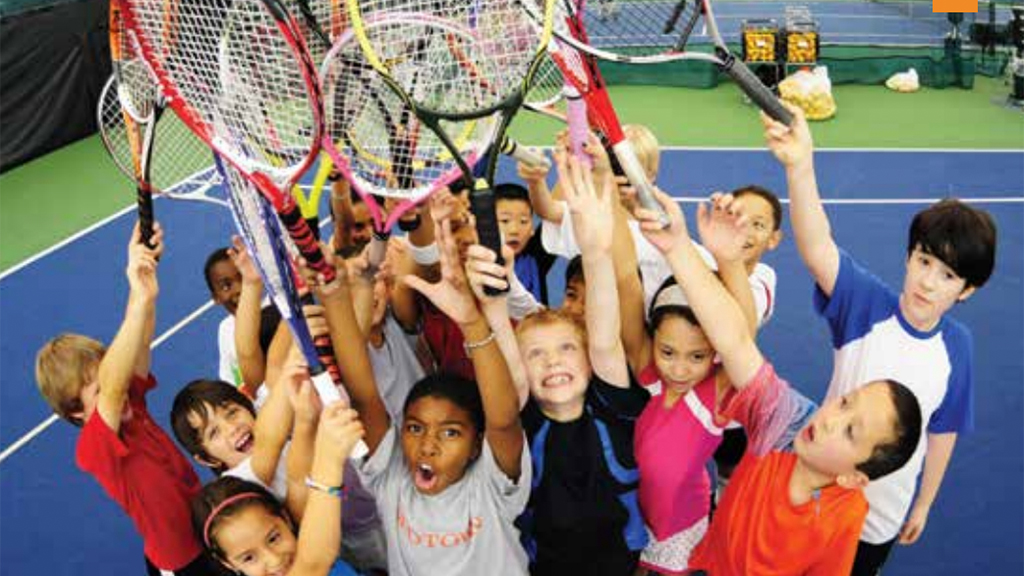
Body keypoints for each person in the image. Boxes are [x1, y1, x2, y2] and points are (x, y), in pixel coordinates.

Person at [634, 188, 923, 576]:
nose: (830, 418)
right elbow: (734, 340)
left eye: (851, 431)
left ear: (854, 477)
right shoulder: (784, 422)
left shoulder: (845, 517)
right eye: (844, 403)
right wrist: (680, 248)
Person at [762, 105, 997, 575]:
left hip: (879, 520)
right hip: (819, 499)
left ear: (967, 290)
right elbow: (817, 248)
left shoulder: (958, 349)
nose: (928, 282)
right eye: (924, 261)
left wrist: (924, 503)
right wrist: (801, 167)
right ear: (909, 257)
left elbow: (943, 430)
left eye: (948, 275)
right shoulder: (866, 305)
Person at [307, 212, 531, 576]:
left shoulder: (490, 485)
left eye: (450, 432)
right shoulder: (392, 478)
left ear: (478, 446)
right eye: (414, 428)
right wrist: (333, 293)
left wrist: (473, 322)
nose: (428, 445)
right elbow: (365, 396)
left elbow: (503, 419)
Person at [34, 223, 220, 576]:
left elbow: (139, 343)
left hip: (204, 526)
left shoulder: (131, 406)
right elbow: (116, 384)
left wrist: (145, 284)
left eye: (108, 372)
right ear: (76, 413)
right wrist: (137, 296)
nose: (113, 386)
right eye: (98, 388)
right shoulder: (94, 447)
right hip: (183, 562)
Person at [500, 148, 650, 576]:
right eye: (537, 354)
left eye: (566, 348)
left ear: (588, 360)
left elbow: (604, 338)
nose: (552, 362)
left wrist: (597, 250)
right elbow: (510, 360)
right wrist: (494, 308)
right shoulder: (524, 421)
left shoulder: (614, 406)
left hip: (622, 564)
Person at [191, 400, 365, 576]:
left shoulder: (306, 537)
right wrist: (330, 461)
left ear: (285, 519)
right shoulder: (312, 559)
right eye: (249, 558)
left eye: (274, 538)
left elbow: (297, 481)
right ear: (227, 563)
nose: (274, 560)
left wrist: (305, 418)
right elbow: (313, 565)